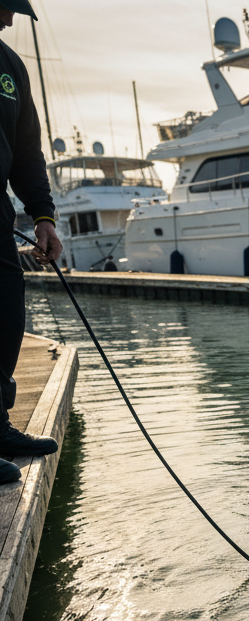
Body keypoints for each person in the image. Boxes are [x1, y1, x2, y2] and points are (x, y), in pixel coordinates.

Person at [1, 0, 63, 485]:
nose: (9, 19)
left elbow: (26, 151)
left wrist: (42, 215)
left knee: (5, 312)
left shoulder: (10, 67)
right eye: (5, 7)